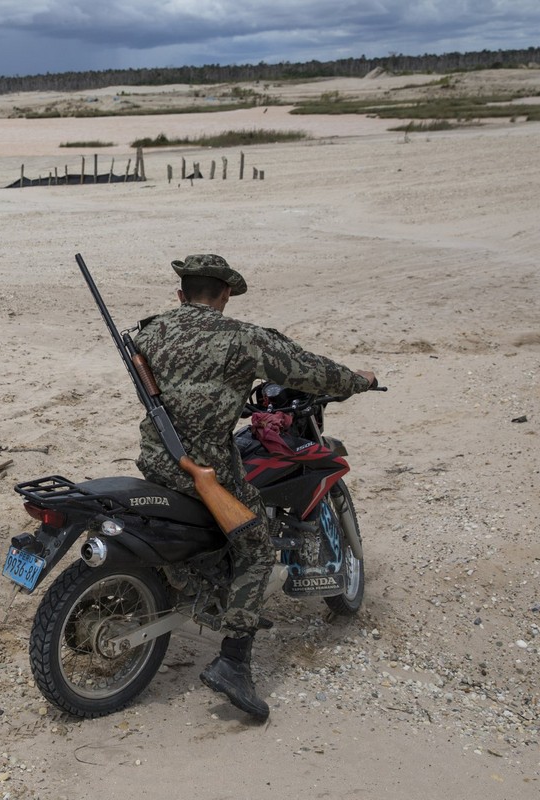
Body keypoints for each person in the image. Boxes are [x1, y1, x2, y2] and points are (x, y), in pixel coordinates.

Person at [133, 254, 375, 721]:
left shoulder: (150, 332)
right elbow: (312, 371)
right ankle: (233, 663)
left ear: (181, 294)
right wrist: (360, 381)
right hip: (206, 470)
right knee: (258, 549)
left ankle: (192, 585)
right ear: (224, 295)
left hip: (156, 461)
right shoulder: (244, 338)